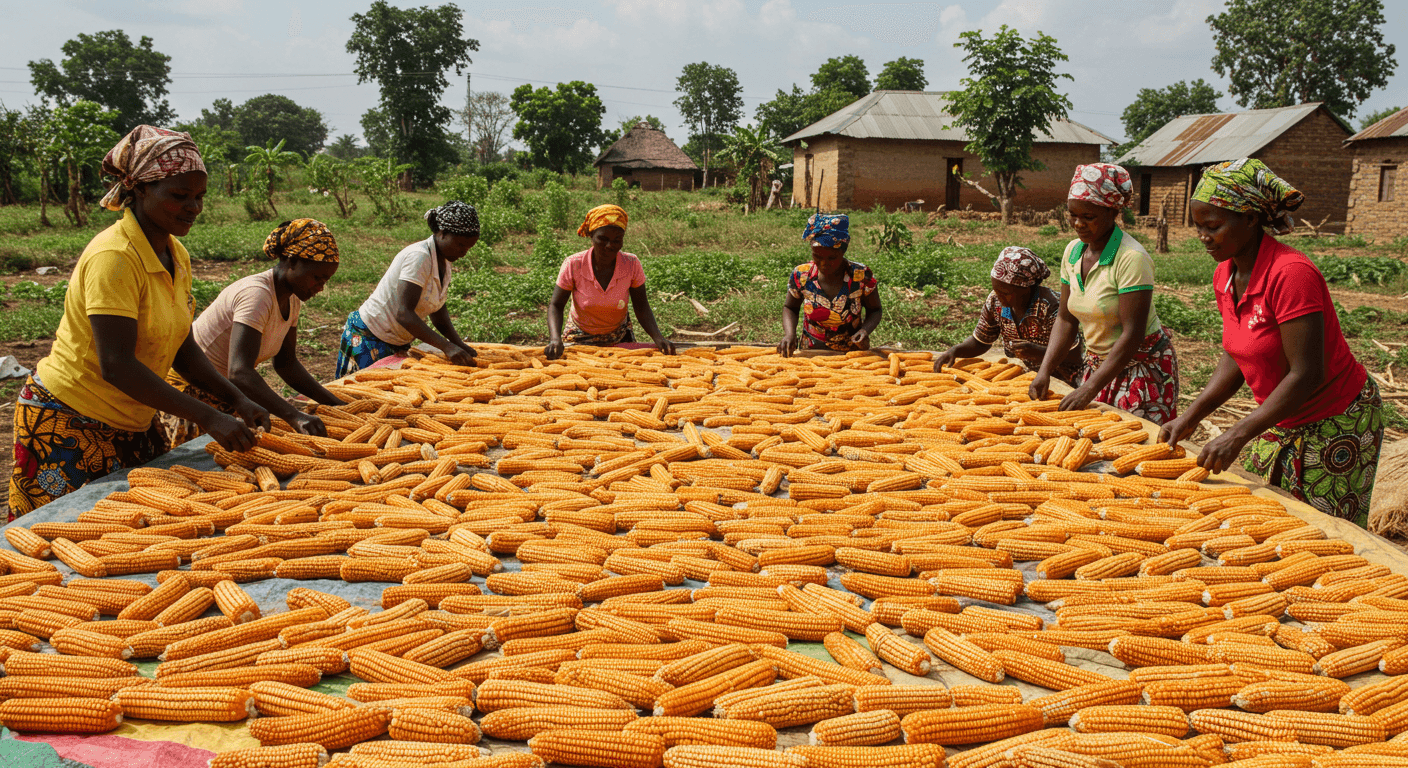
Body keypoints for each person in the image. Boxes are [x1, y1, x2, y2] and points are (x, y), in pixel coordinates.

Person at [9, 126, 267, 519]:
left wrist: (235, 398)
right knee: (60, 536)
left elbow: (180, 344)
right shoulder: (114, 258)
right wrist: (206, 415)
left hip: (133, 417)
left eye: (199, 197)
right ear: (141, 189)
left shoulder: (174, 252)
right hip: (69, 419)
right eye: (179, 196)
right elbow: (117, 364)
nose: (193, 207)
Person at [1160, 159, 1383, 526]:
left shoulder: (1291, 275)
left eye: (1213, 226)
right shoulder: (1225, 274)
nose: (1203, 236)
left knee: (1318, 531)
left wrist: (1238, 433)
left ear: (1250, 219)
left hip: (1335, 418)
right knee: (1263, 519)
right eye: (1198, 226)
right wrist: (1190, 416)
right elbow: (1238, 353)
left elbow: (1306, 373)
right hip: (1282, 416)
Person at [163, 218, 344, 446]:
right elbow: (239, 373)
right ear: (292, 261)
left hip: (229, 394)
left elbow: (286, 364)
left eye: (326, 281)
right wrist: (293, 415)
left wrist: (336, 405)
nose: (320, 287)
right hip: (195, 393)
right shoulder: (256, 295)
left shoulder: (292, 299)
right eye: (317, 278)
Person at [1030, 163, 1179, 424]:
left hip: (1139, 369)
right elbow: (1065, 319)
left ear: (1113, 211)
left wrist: (1089, 388)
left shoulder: (1131, 258)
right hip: (1098, 366)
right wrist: (1045, 370)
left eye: (1088, 217)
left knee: (1130, 444)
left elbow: (1132, 334)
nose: (1078, 224)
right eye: (1072, 215)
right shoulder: (1073, 252)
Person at [336, 202, 480, 377]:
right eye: (460, 245)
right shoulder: (419, 257)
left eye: (469, 248)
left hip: (398, 340)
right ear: (442, 233)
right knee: (358, 395)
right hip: (370, 337)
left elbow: (437, 309)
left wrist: (458, 343)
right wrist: (447, 347)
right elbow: (404, 314)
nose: (464, 252)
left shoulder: (444, 261)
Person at [934, 246, 1084, 384]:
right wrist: (956, 350)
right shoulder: (998, 303)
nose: (998, 297)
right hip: (1023, 377)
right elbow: (981, 341)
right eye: (996, 290)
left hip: (1061, 379)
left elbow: (1075, 355)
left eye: (1005, 293)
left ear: (1026, 287)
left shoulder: (1051, 307)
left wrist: (1037, 352)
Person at [545, 204, 675, 358]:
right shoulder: (574, 264)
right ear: (591, 236)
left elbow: (641, 306)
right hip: (580, 334)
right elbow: (556, 305)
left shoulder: (631, 264)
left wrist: (658, 337)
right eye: (603, 239)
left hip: (619, 335)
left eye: (617, 240)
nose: (609, 246)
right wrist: (555, 338)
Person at [777, 213, 882, 356]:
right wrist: (789, 334)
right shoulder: (802, 275)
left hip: (852, 354)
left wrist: (864, 331)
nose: (824, 264)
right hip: (810, 353)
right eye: (817, 256)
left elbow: (875, 310)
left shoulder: (860, 275)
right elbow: (790, 307)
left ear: (843, 251)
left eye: (832, 258)